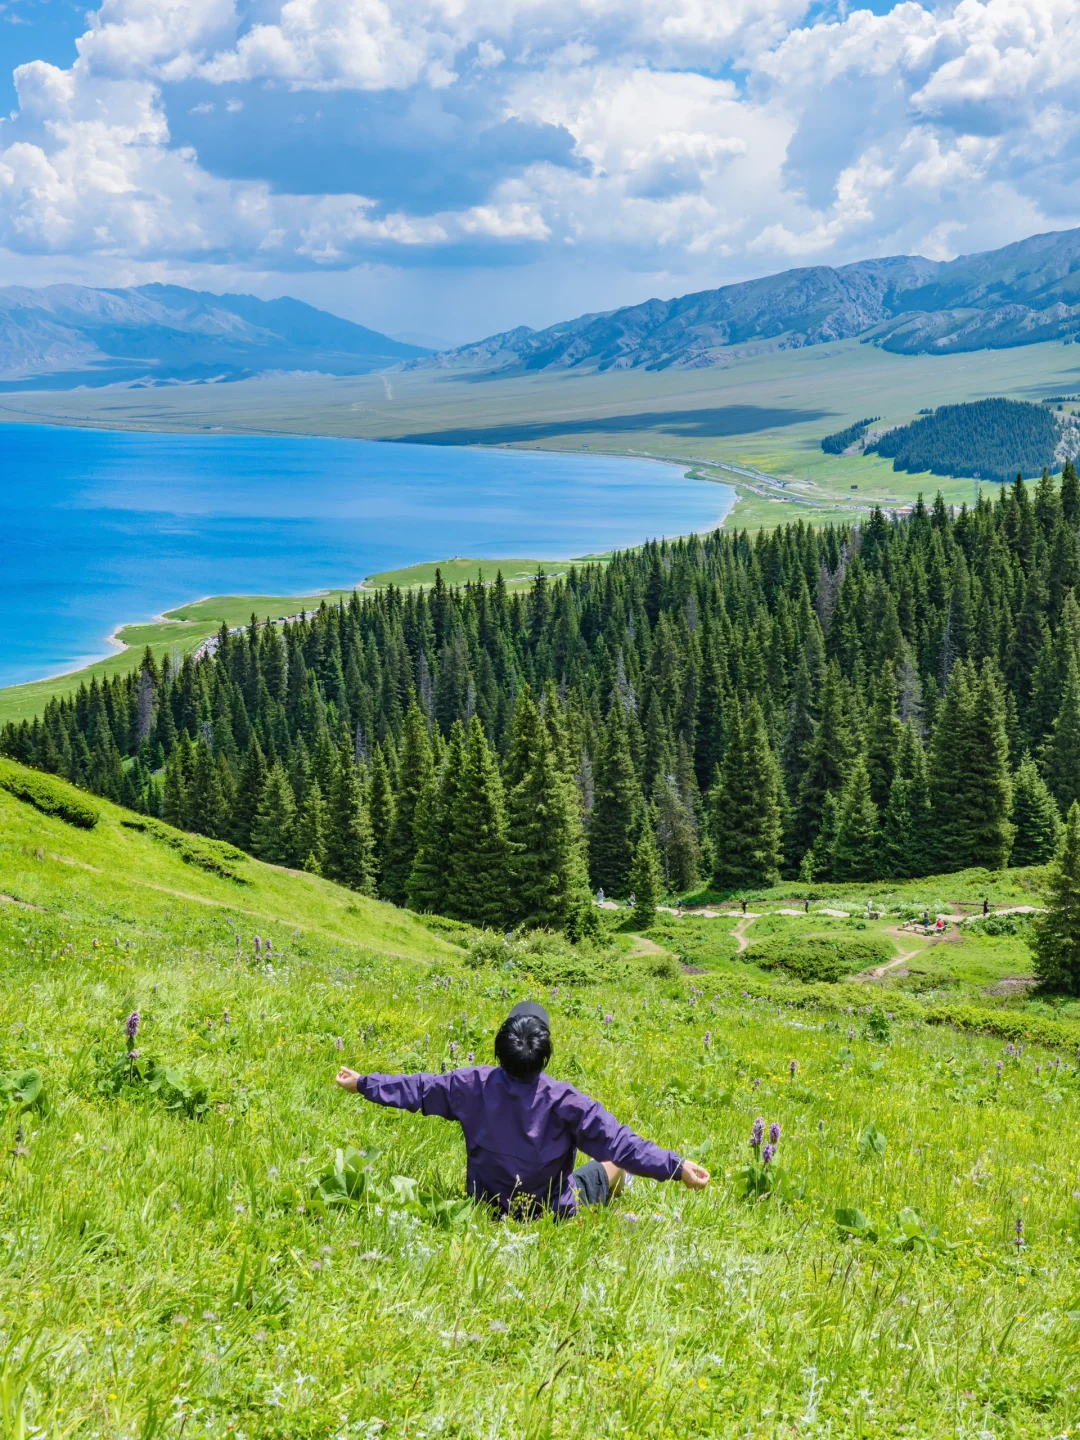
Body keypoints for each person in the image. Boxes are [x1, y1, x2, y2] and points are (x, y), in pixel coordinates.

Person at [335, 1000, 710, 1219]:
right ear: (545, 1056)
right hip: (551, 1213)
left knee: (613, 1158)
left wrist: (363, 1082)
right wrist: (677, 1167)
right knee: (615, 1162)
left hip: (487, 1207)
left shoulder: (470, 1085)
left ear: (500, 1050)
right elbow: (621, 1143)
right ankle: (620, 1185)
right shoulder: (567, 1102)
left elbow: (417, 1089)